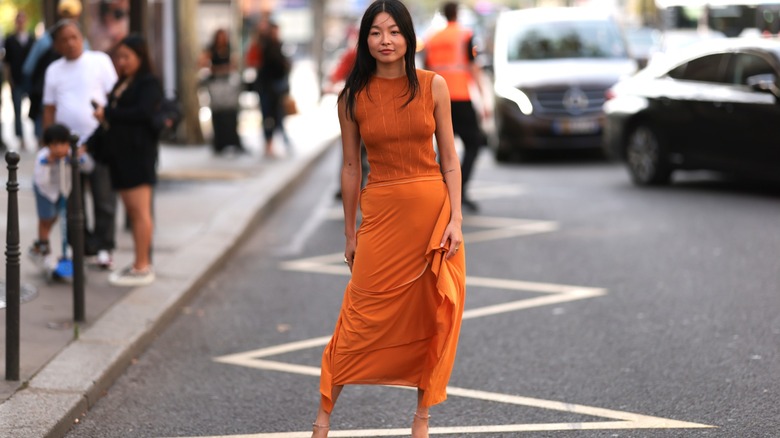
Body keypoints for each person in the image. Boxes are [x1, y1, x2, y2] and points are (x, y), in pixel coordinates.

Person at [310, 1, 466, 437]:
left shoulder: (432, 85)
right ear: (364, 40)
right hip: (380, 214)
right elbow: (350, 167)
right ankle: (323, 418)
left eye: (394, 32)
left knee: (432, 313)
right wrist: (349, 232)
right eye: (376, 32)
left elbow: (450, 160)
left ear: (408, 38)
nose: (385, 41)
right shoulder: (353, 97)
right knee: (358, 314)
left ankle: (421, 418)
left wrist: (456, 219)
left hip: (433, 215)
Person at [43, 19, 118, 269]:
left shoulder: (99, 61)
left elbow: (114, 96)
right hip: (67, 146)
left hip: (98, 142)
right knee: (74, 201)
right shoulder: (54, 70)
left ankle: (104, 246)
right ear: (56, 45)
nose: (71, 43)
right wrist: (48, 143)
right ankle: (82, 247)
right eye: (64, 39)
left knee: (103, 196)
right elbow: (49, 109)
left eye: (74, 36)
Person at [91, 34, 161, 286]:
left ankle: (143, 265)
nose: (121, 61)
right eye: (119, 56)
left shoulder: (148, 83)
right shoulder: (124, 82)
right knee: (133, 212)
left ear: (140, 57)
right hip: (120, 155)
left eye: (126, 57)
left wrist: (108, 112)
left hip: (138, 155)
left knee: (140, 212)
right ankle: (138, 262)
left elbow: (142, 113)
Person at [424, 1, 488, 213]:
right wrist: (484, 98)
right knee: (474, 143)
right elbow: (474, 68)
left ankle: (445, 194)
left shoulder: (432, 38)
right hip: (460, 97)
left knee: (444, 148)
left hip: (437, 99)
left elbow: (426, 71)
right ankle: (458, 190)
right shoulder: (465, 35)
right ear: (457, 13)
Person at [29, 123, 94, 270]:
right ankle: (43, 247)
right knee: (45, 218)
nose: (59, 149)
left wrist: (79, 157)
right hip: (44, 191)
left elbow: (89, 167)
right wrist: (49, 163)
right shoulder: (43, 157)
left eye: (63, 144)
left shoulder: (71, 153)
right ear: (48, 145)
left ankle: (45, 245)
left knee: (55, 217)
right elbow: (41, 181)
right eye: (54, 145)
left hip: (62, 190)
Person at [22, 0, 85, 143]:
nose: (70, 44)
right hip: (49, 99)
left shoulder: (44, 39)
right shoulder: (81, 40)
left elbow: (28, 67)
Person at [200, 28, 244, 155]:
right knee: (218, 113)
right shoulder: (211, 50)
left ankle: (233, 141)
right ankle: (219, 143)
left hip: (228, 86)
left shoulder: (229, 50)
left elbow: (235, 64)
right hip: (216, 85)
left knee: (231, 113)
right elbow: (203, 63)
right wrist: (218, 69)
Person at [256, 21, 292, 157]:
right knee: (270, 116)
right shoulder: (265, 46)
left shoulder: (278, 45)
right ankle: (270, 144)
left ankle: (278, 142)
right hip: (268, 87)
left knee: (277, 116)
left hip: (276, 86)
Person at [4, 11, 36, 151]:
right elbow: (6, 63)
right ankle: (21, 138)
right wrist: (8, 79)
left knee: (34, 108)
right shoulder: (9, 39)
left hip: (30, 80)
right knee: (17, 110)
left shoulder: (31, 39)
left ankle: (38, 135)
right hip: (16, 80)